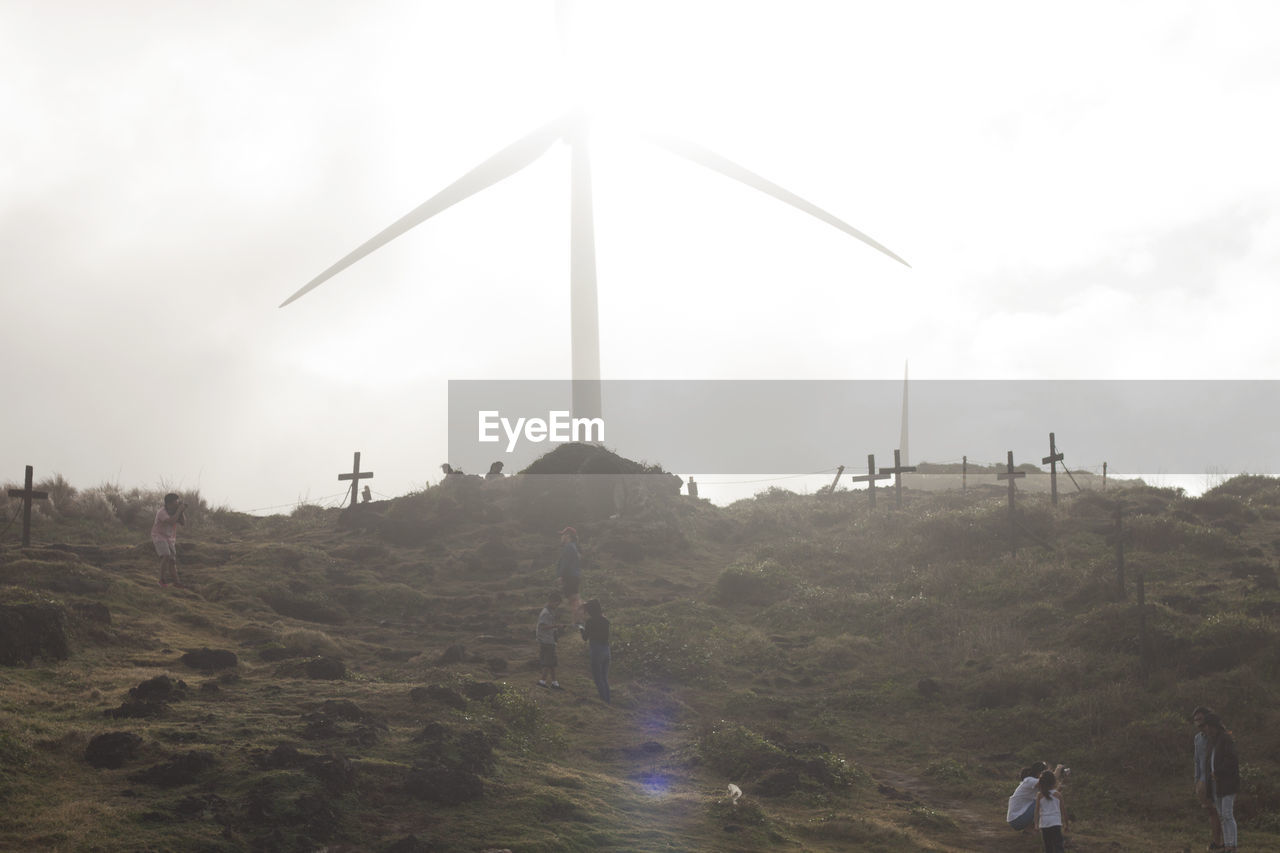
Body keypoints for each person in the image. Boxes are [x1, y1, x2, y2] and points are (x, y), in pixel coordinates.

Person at [1202, 713, 1240, 852]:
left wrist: (1218, 772)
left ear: (1215, 726)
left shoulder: (1225, 739)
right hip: (1215, 784)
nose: (1207, 729)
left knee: (1227, 814)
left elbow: (1232, 761)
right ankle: (1227, 844)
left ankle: (1232, 844)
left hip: (1227, 783)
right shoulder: (1212, 741)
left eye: (1209, 726)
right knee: (1222, 815)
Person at [1193, 706, 1225, 850]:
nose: (1198, 723)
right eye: (1196, 720)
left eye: (1201, 719)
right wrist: (1197, 780)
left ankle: (1227, 843)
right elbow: (1197, 761)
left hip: (1217, 780)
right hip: (1204, 782)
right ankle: (1216, 841)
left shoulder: (1217, 737)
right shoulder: (1198, 739)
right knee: (1211, 811)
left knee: (1222, 812)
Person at [151, 493, 187, 587]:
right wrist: (179, 510)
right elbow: (171, 521)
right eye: (176, 503)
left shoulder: (174, 511)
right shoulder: (161, 512)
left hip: (169, 538)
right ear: (169, 504)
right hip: (158, 536)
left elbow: (183, 523)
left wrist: (181, 511)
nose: (177, 504)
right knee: (166, 555)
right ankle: (161, 580)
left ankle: (176, 582)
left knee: (172, 560)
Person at [580, 598, 611, 703]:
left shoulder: (590, 622)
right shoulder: (606, 621)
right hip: (606, 650)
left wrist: (581, 629)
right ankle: (608, 700)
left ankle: (604, 702)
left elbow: (585, 637)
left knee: (598, 679)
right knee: (604, 678)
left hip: (596, 650)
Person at [536, 591, 567, 690]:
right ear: (551, 601)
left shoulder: (549, 611)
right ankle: (542, 681)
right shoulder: (546, 613)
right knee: (549, 662)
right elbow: (542, 626)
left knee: (552, 662)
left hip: (548, 640)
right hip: (546, 640)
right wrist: (556, 626)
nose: (557, 606)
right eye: (557, 603)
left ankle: (554, 683)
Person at [1033, 768, 1068, 853]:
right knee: (1058, 845)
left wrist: (1036, 824)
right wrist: (1066, 824)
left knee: (1048, 847)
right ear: (1054, 782)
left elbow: (1036, 811)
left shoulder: (1039, 795)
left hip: (1044, 824)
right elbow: (1063, 811)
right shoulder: (1057, 794)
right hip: (1055, 823)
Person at [1007, 761, 1048, 831]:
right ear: (1040, 772)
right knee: (1042, 801)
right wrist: (1058, 769)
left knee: (1044, 799)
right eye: (1045, 772)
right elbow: (1049, 781)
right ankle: (1034, 829)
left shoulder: (1032, 782)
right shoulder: (1030, 781)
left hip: (1016, 819)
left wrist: (1062, 783)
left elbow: (1052, 792)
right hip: (1017, 820)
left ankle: (1029, 829)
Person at [557, 526, 584, 624]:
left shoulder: (568, 547)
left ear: (567, 535)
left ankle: (577, 621)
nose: (561, 537)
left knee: (574, 600)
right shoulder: (574, 547)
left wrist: (560, 575)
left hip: (570, 577)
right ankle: (577, 620)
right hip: (574, 576)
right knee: (575, 599)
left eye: (562, 535)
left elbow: (565, 563)